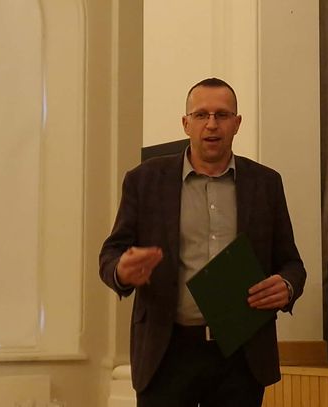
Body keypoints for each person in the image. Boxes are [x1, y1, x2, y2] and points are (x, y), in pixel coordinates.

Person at [99, 78, 306, 407]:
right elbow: (110, 254)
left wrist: (287, 285)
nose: (211, 124)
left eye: (222, 115)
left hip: (241, 354)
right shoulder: (144, 180)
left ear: (237, 123)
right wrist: (121, 271)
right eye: (201, 115)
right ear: (186, 123)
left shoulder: (265, 183)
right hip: (167, 353)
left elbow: (291, 263)